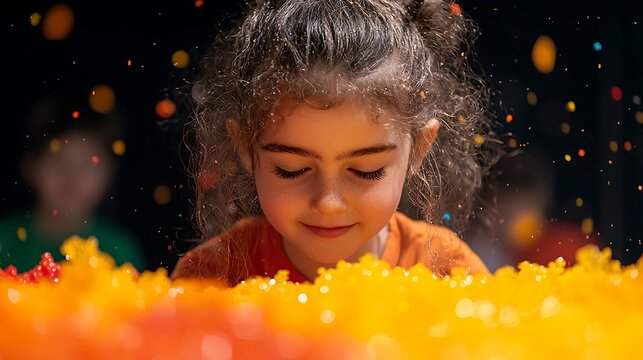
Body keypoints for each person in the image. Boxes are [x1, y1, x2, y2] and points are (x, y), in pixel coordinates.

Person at [171, 0, 500, 286]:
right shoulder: (211, 280)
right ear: (245, 147)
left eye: (365, 171)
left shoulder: (450, 277)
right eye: (292, 169)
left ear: (418, 149)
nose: (328, 203)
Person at [0, 90, 147, 272]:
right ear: (30, 167)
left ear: (109, 174)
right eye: (58, 162)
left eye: (88, 165)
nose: (72, 178)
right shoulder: (4, 241)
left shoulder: (120, 252)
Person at [466, 147, 600, 272]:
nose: (513, 222)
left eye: (523, 208)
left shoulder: (572, 249)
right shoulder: (473, 253)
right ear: (488, 206)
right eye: (507, 213)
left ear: (545, 200)